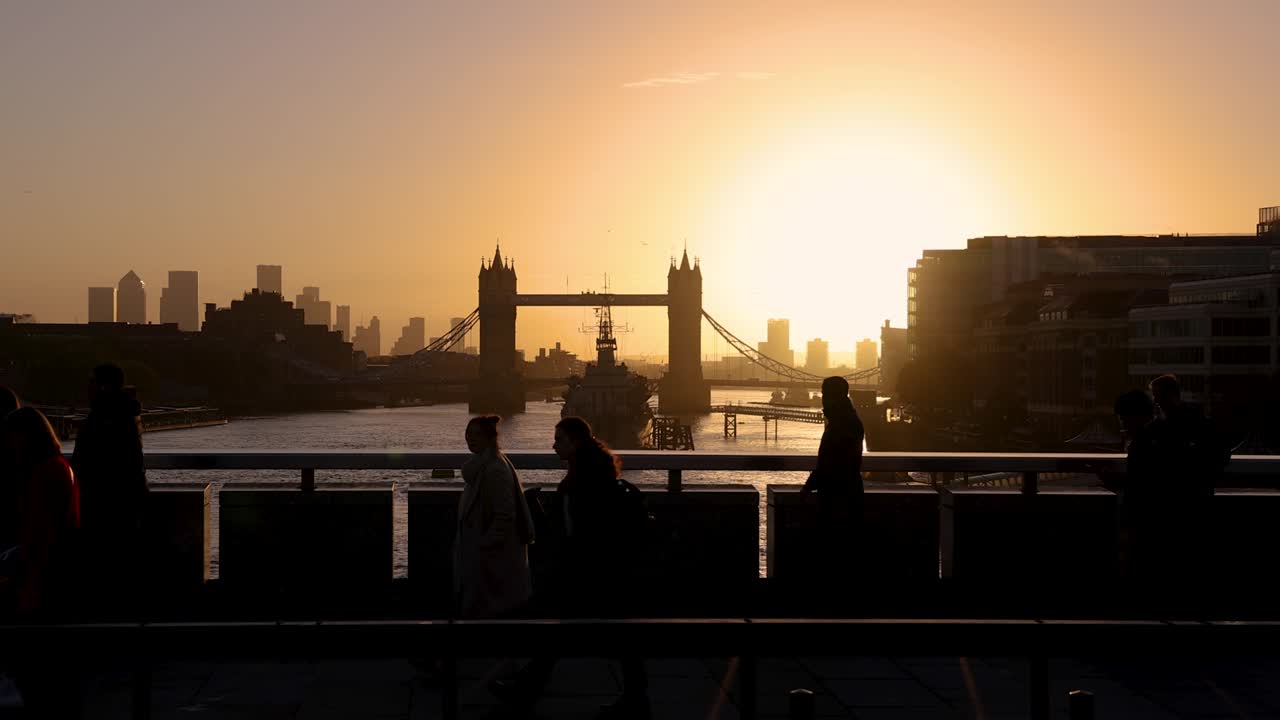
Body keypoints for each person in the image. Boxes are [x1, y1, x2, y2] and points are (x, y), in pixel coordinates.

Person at [490, 416, 650, 719]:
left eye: (559, 439)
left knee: (577, 633)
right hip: (605, 569)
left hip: (589, 570)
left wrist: (542, 515)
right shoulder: (596, 471)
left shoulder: (582, 481)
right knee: (606, 636)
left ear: (575, 442)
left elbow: (576, 528)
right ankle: (634, 699)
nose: (553, 445)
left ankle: (526, 689)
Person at [1111, 388, 1215, 599]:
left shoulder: (1145, 441)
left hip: (1150, 524)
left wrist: (1114, 481)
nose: (1122, 424)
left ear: (1136, 416)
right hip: (1172, 523)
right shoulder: (1166, 435)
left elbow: (1143, 483)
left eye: (1123, 418)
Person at [70, 363, 148, 616]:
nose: (87, 388)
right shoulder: (125, 415)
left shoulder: (104, 420)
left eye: (91, 382)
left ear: (103, 386)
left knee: (104, 572)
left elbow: (90, 465)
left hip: (104, 508)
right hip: (123, 506)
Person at [454, 415, 534, 619]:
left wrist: (484, 545)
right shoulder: (485, 464)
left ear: (490, 439)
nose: (470, 439)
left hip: (490, 557)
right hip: (484, 554)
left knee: (489, 611)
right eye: (468, 434)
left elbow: (505, 516)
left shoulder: (494, 469)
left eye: (476, 435)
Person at [800, 376, 866, 591]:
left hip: (838, 498)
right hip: (846, 494)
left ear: (835, 396)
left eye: (825, 394)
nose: (822, 399)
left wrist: (806, 489)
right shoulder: (847, 419)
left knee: (835, 552)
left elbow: (831, 463)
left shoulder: (843, 423)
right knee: (843, 554)